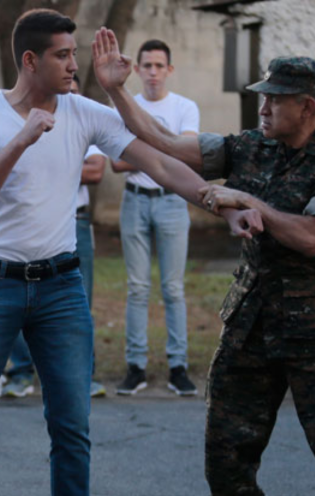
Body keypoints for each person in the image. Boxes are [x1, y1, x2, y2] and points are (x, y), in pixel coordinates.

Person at [0, 11, 256, 496]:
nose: (76, 65)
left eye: (75, 53)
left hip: (60, 289)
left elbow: (160, 164)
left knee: (72, 428)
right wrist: (21, 140)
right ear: (30, 60)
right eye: (63, 55)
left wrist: (222, 204)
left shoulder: (85, 111)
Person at [92, 28, 315, 496]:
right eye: (263, 97)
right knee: (228, 447)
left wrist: (248, 202)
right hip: (252, 321)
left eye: (274, 100)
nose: (263, 107)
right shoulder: (251, 147)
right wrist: (116, 90)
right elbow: (165, 141)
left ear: (307, 106)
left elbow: (312, 237)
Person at [0, 73, 108, 399]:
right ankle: (20, 373)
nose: (67, 97)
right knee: (18, 298)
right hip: (29, 222)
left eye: (73, 91)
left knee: (78, 302)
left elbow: (96, 171)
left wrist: (52, 166)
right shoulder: (24, 124)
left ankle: (83, 376)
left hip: (75, 221)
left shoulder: (86, 119)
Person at [110, 39, 200, 397]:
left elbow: (190, 157)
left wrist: (145, 152)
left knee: (173, 288)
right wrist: (166, 149)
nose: (152, 72)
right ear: (137, 69)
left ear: (169, 70)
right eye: (145, 65)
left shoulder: (185, 107)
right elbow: (116, 162)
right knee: (137, 287)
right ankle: (136, 367)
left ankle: (178, 367)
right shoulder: (127, 107)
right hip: (135, 201)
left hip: (172, 202)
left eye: (158, 66)